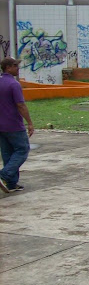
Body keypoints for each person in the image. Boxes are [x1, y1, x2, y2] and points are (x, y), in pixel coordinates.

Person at [0, 57, 34, 193]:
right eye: (15, 66)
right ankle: (4, 174)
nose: (18, 68)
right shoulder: (14, 84)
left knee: (7, 153)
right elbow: (20, 105)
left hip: (1, 125)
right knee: (22, 150)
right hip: (13, 124)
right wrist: (30, 123)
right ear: (8, 67)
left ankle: (11, 183)